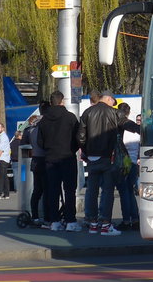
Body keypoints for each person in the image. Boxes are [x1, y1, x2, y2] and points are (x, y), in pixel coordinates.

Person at [79, 90, 122, 236]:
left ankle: (92, 223)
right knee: (107, 191)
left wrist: (86, 151)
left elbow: (81, 136)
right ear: (109, 99)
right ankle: (105, 224)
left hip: (92, 157)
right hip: (107, 157)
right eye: (113, 101)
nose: (113, 104)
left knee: (91, 190)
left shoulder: (88, 112)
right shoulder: (113, 113)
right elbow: (123, 126)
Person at [38, 91, 82, 232]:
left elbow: (40, 142)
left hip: (50, 158)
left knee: (53, 190)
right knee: (70, 190)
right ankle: (70, 221)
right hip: (67, 157)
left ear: (51, 102)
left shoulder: (43, 120)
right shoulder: (70, 117)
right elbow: (78, 137)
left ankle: (54, 221)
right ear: (62, 101)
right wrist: (73, 149)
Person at [116, 102, 140, 230]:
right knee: (130, 191)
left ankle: (126, 220)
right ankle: (135, 219)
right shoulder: (135, 128)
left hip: (123, 162)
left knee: (123, 192)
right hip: (134, 162)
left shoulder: (120, 127)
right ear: (129, 113)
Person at [24, 107, 47, 224]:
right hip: (44, 160)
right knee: (47, 190)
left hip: (35, 160)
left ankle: (35, 215)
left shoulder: (30, 130)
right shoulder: (43, 127)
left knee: (37, 190)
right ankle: (47, 216)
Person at [0, 122, 12, 200]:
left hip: (2, 158)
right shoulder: (3, 137)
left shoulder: (3, 137)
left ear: (3, 128)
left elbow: (1, 149)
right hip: (5, 158)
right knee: (4, 177)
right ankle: (6, 194)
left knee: (0, 177)